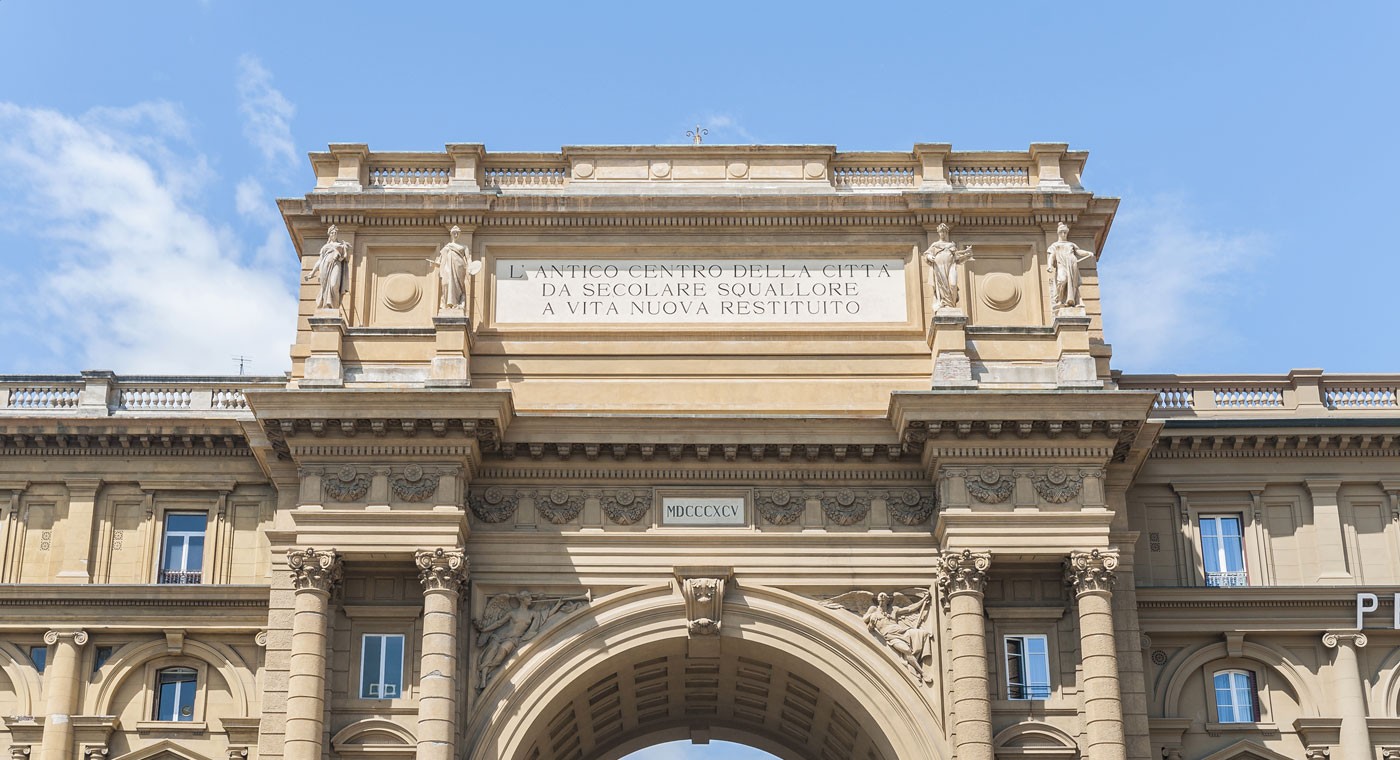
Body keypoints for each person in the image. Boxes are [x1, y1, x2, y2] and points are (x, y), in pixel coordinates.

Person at [862, 592, 932, 677]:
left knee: (923, 633)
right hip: (891, 636)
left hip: (902, 631)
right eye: (880, 598)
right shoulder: (874, 610)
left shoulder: (893, 610)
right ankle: (922, 672)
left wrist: (923, 600)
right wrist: (871, 617)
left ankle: (922, 661)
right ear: (878, 600)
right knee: (907, 650)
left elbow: (909, 609)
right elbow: (865, 619)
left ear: (887, 601)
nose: (882, 599)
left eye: (884, 598)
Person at [921, 223, 974, 309]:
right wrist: (930, 257)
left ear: (946, 233)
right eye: (941, 231)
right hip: (939, 268)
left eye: (944, 232)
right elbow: (926, 254)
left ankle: (951, 304)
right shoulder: (935, 245)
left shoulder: (951, 245)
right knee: (942, 286)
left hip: (951, 267)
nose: (942, 233)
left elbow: (957, 257)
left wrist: (966, 253)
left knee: (953, 284)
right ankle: (945, 304)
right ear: (938, 233)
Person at [1046, 222, 1097, 310]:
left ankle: (1071, 300)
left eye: (1065, 232)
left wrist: (1087, 253)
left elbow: (1078, 251)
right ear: (1058, 233)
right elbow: (1051, 256)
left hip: (1072, 264)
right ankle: (1059, 300)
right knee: (1062, 280)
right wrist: (1049, 265)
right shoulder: (1055, 245)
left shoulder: (1070, 244)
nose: (1064, 234)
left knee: (1073, 283)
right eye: (1062, 232)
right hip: (1061, 265)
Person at [304, 225, 352, 310]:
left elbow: (345, 258)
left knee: (334, 285)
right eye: (332, 233)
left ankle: (335, 307)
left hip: (336, 264)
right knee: (324, 287)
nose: (334, 234)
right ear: (329, 234)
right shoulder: (325, 247)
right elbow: (320, 261)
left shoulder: (341, 245)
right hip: (325, 266)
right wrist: (312, 273)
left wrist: (344, 252)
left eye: (335, 233)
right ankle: (326, 306)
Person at [429, 225, 472, 311]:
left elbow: (468, 259)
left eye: (457, 233)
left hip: (459, 267)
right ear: (451, 234)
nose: (456, 235)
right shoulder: (447, 247)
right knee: (446, 283)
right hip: (447, 268)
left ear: (459, 234)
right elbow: (439, 261)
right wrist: (434, 264)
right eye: (454, 233)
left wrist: (471, 267)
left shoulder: (464, 246)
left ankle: (458, 303)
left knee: (457, 285)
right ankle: (447, 304)